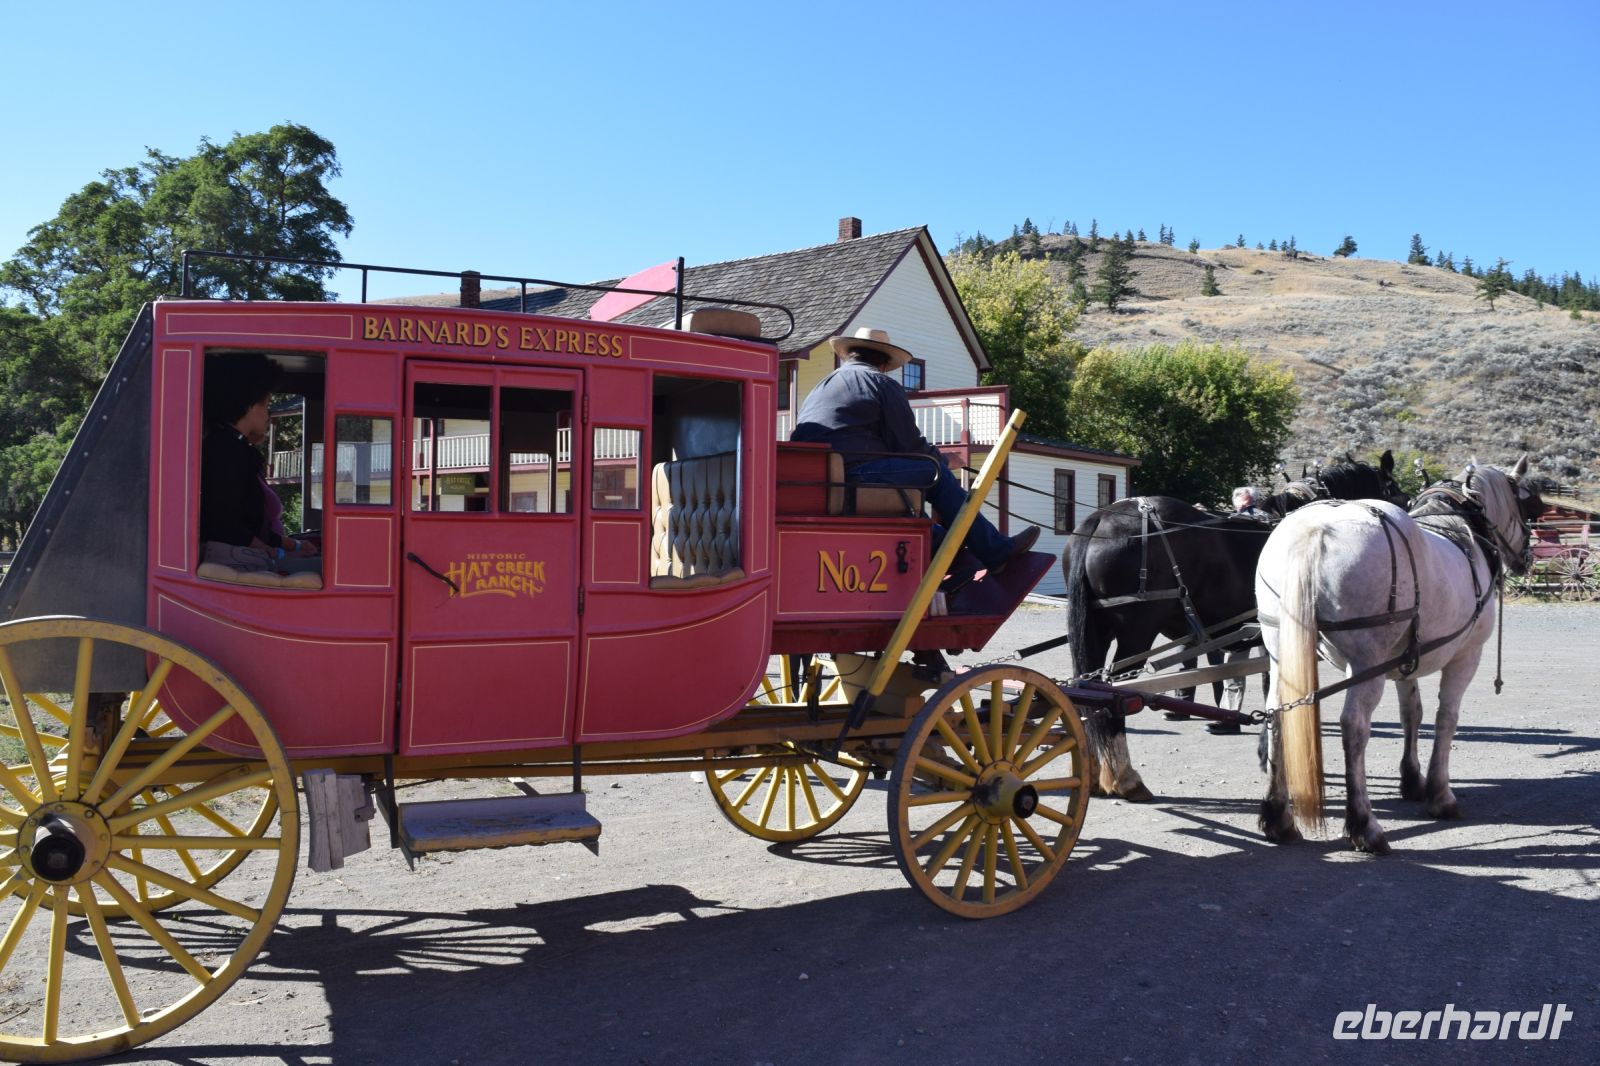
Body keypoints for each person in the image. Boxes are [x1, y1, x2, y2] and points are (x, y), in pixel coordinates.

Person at [791, 327, 1039, 578]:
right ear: (884, 363)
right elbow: (909, 445)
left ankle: (940, 545)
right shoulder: (881, 383)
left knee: (910, 478)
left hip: (818, 482)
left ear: (850, 355)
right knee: (934, 473)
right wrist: (943, 460)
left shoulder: (821, 386)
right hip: (855, 477)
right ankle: (995, 551)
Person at [200, 354, 320, 575]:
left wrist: (294, 546)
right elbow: (224, 524)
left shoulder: (230, 447)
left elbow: (251, 527)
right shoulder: (226, 451)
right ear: (248, 405)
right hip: (239, 560)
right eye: (266, 404)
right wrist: (273, 552)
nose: (268, 414)